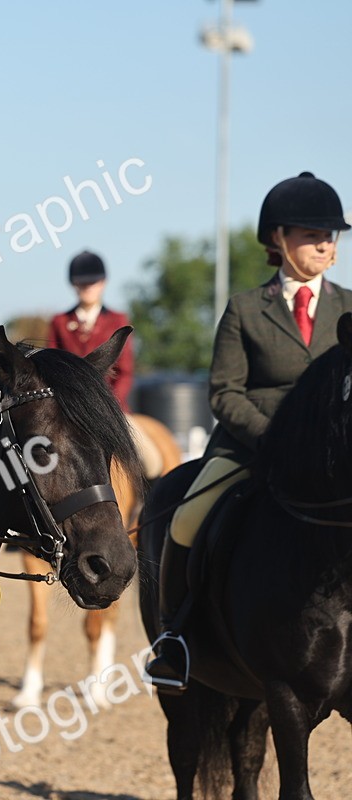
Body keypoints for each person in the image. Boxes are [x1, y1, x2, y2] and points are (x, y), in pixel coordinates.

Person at [145, 172, 352, 692]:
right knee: (187, 518)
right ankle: (176, 639)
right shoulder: (244, 308)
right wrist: (275, 441)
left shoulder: (349, 307)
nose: (325, 244)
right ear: (278, 238)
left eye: (330, 235)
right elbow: (224, 392)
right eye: (311, 234)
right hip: (249, 448)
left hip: (331, 457)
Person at [47, 250, 134, 411]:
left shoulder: (118, 320)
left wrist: (110, 403)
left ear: (103, 283)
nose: (88, 288)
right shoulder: (59, 322)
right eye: (82, 284)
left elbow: (124, 372)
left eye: (92, 283)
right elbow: (52, 368)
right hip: (71, 404)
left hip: (110, 404)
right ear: (73, 284)